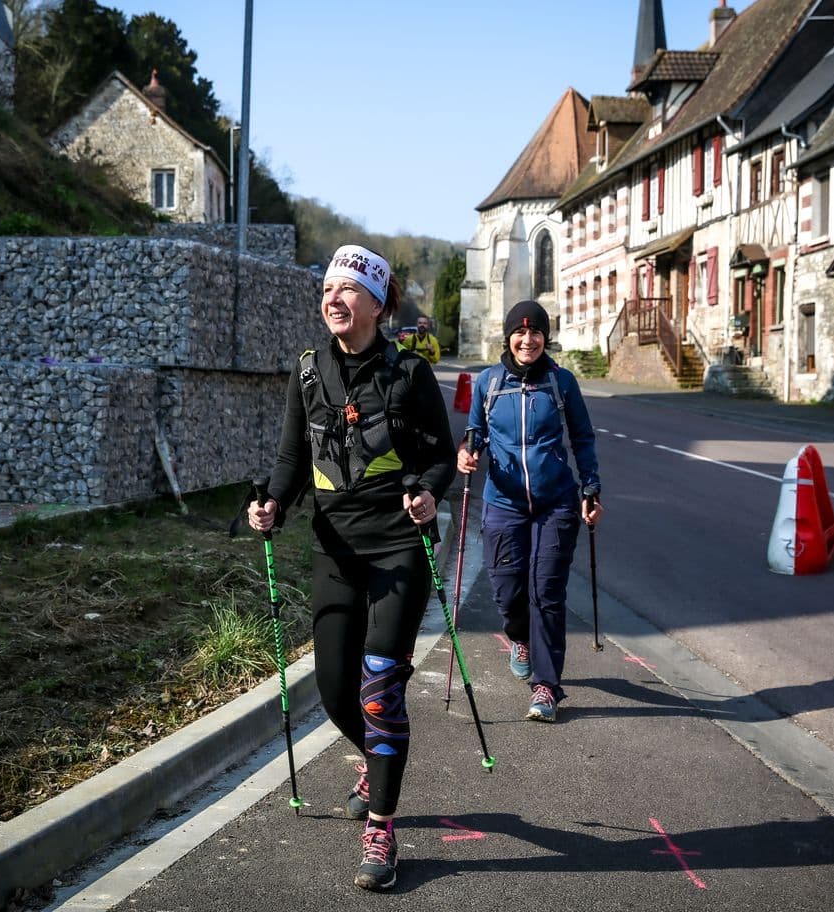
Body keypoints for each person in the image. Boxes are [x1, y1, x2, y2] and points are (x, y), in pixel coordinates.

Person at [247, 243, 456, 891]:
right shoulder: (308, 372)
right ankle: (376, 757)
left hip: (397, 548)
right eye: (327, 291)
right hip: (334, 548)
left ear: (375, 301)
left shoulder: (407, 374)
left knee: (378, 689)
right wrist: (273, 504)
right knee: (337, 687)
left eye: (347, 290)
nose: (333, 300)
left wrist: (426, 491)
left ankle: (383, 830)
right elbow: (289, 457)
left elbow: (439, 455)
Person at [457, 299, 601, 723]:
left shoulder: (562, 382)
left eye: (536, 332)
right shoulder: (488, 383)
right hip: (503, 503)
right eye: (520, 333)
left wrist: (590, 486)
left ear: (545, 337)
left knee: (546, 592)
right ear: (508, 337)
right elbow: (475, 434)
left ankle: (546, 685)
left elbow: (583, 438)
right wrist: (468, 454)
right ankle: (519, 637)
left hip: (555, 503)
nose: (528, 339)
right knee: (508, 591)